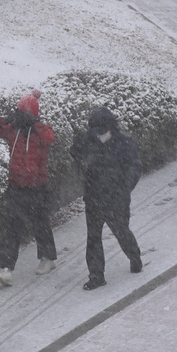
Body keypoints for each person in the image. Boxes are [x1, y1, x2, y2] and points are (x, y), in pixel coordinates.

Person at [0, 89, 57, 286]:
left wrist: (35, 124)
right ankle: (7, 268)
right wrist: (5, 119)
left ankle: (48, 258)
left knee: (40, 223)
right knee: (13, 226)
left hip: (38, 186)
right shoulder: (12, 130)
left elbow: (50, 138)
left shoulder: (41, 132)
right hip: (16, 185)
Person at [70, 107, 143, 291]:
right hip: (94, 197)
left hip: (116, 199)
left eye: (103, 130)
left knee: (121, 231)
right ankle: (96, 275)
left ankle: (134, 256)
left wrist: (124, 189)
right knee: (93, 238)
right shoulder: (91, 140)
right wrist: (79, 142)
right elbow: (76, 154)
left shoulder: (124, 143)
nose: (101, 134)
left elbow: (135, 168)